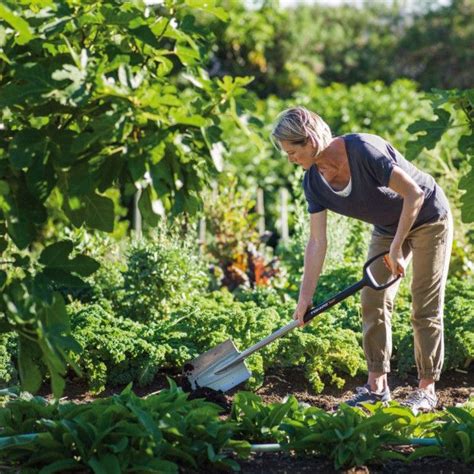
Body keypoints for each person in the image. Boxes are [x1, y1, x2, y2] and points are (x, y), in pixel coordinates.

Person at [271, 106, 453, 414]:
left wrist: (397, 248)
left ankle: (426, 390)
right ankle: (376, 386)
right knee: (373, 299)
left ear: (311, 139)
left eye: (292, 150)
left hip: (428, 217)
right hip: (387, 227)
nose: (290, 158)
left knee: (424, 304)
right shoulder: (313, 183)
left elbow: (414, 194)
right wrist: (304, 297)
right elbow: (317, 241)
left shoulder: (363, 150)